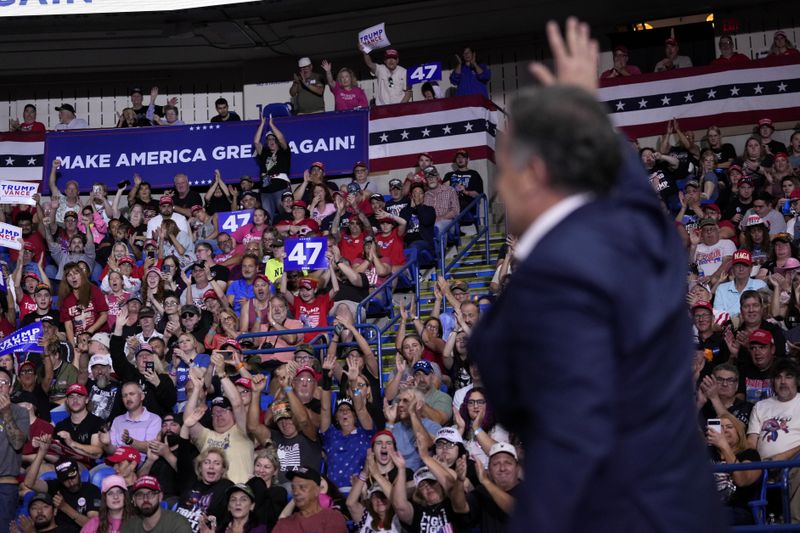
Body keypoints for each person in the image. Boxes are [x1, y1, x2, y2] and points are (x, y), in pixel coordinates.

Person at [468, 17, 724, 531]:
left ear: (530, 178)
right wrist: (588, 112)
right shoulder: (649, 266)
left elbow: (499, 376)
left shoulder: (522, 310)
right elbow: (639, 208)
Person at [747, 359, 800, 521]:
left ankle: (793, 524)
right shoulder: (761, 406)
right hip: (765, 466)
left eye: (788, 376)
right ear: (773, 382)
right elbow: (751, 442)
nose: (783, 382)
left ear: (797, 380)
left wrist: (781, 458)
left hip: (794, 464)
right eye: (778, 377)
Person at [271, 466, 348, 533]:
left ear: (317, 490)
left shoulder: (333, 517)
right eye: (294, 487)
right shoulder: (285, 523)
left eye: (302, 487)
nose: (296, 492)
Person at [0, 367, 30, 533]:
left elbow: (18, 444)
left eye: (3, 383)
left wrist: (6, 414)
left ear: (10, 388)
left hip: (5, 487)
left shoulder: (20, 413)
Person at [121, 476, 192, 533]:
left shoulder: (178, 524)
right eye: (140, 495)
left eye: (151, 494)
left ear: (160, 497)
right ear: (134, 500)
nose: (145, 499)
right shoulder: (129, 525)